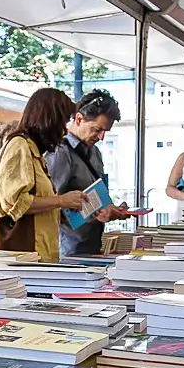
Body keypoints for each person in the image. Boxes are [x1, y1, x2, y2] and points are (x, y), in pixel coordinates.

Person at [0, 88, 94, 263]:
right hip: (21, 259)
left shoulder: (34, 152)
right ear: (49, 119)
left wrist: (64, 208)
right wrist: (61, 200)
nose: (64, 130)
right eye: (62, 122)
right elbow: (15, 202)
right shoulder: (19, 146)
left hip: (37, 256)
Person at [46, 89, 132, 256]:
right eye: (97, 129)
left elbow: (93, 195)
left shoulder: (95, 153)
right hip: (68, 249)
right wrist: (92, 213)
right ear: (79, 119)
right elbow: (52, 206)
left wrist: (108, 209)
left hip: (91, 245)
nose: (101, 137)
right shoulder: (60, 153)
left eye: (105, 131)